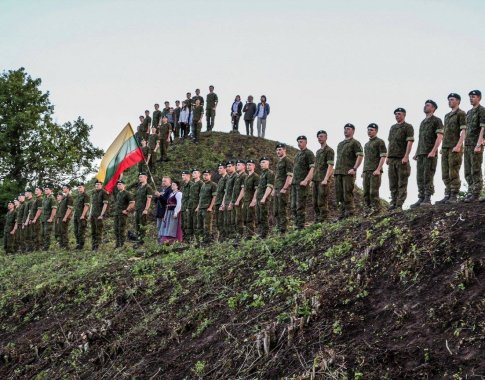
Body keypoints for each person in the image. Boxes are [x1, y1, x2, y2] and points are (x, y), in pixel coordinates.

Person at [410, 100, 444, 208]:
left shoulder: (437, 120)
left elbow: (439, 137)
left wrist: (434, 151)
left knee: (428, 175)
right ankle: (421, 197)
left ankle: (427, 197)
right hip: (421, 153)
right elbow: (421, 139)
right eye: (425, 105)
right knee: (419, 176)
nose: (425, 107)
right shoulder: (423, 122)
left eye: (428, 105)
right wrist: (416, 153)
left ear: (433, 108)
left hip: (430, 153)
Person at [436, 93, 466, 204]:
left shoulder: (461, 114)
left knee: (453, 171)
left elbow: (463, 131)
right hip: (445, 147)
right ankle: (447, 193)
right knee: (445, 172)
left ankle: (454, 194)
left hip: (455, 147)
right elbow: (445, 133)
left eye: (452, 99)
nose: (450, 101)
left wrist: (458, 145)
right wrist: (442, 147)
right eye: (449, 100)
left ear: (458, 101)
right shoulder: (447, 115)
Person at [387, 108, 414, 211]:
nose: (397, 116)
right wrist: (388, 156)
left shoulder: (408, 127)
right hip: (392, 159)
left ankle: (399, 204)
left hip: (401, 159)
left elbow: (410, 142)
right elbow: (390, 142)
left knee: (401, 183)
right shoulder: (392, 128)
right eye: (396, 114)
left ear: (404, 115)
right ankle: (393, 202)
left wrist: (406, 156)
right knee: (392, 183)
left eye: (399, 114)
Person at [334, 124, 364, 219]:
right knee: (339, 194)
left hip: (348, 172)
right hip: (338, 172)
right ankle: (342, 214)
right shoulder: (340, 144)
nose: (346, 130)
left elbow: (360, 156)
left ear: (353, 131)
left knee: (347, 193)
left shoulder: (355, 143)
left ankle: (350, 213)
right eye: (345, 129)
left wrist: (354, 168)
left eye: (348, 129)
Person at [464, 90, 485, 202]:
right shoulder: (469, 112)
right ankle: (470, 191)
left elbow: (483, 127)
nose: (471, 99)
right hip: (467, 144)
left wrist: (479, 143)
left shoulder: (482, 110)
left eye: (473, 97)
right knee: (467, 170)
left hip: (476, 144)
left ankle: (476, 193)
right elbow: (466, 129)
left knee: (475, 169)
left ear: (479, 98)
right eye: (470, 97)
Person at [362, 124, 387, 215]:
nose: (369, 131)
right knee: (366, 192)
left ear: (376, 131)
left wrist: (378, 169)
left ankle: (376, 209)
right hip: (366, 170)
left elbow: (383, 156)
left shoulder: (380, 142)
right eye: (368, 130)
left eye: (371, 130)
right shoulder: (366, 144)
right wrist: (363, 171)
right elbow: (366, 158)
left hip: (375, 171)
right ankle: (367, 209)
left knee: (373, 191)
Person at [291, 136, 315, 230]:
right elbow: (295, 169)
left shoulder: (309, 153)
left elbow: (312, 168)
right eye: (298, 142)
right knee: (293, 206)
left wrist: (306, 180)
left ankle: (300, 226)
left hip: (302, 184)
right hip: (294, 183)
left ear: (306, 142)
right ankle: (296, 224)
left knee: (300, 205)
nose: (299, 143)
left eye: (301, 141)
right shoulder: (297, 155)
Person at [313, 130, 335, 223]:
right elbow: (316, 166)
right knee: (315, 202)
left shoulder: (329, 150)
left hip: (323, 179)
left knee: (322, 200)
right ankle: (318, 219)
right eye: (318, 136)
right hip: (316, 179)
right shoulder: (318, 151)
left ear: (326, 138)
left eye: (321, 136)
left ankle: (324, 219)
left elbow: (330, 165)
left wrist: (326, 179)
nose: (319, 138)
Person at [250, 157, 275, 238]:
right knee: (258, 216)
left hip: (264, 199)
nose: (262, 164)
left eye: (264, 162)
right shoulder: (262, 174)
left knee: (263, 216)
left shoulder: (269, 173)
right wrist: (255, 199)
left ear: (268, 163)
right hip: (258, 198)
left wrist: (264, 197)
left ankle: (264, 234)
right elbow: (259, 188)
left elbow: (269, 187)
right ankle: (260, 232)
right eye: (261, 162)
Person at [274, 143, 294, 233]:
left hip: (282, 189)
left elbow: (289, 176)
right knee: (276, 210)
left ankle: (283, 229)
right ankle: (278, 228)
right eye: (277, 150)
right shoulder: (279, 162)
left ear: (285, 150)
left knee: (282, 209)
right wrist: (274, 189)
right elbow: (277, 176)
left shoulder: (287, 161)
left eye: (280, 149)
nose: (278, 151)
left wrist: (284, 188)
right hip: (277, 188)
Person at [195, 170, 217, 243]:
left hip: (207, 208)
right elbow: (200, 197)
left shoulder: (213, 185)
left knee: (207, 226)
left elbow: (214, 197)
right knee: (199, 226)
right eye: (204, 175)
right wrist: (198, 207)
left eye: (207, 175)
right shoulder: (203, 185)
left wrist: (210, 207)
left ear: (210, 176)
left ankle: (208, 241)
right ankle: (200, 241)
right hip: (201, 208)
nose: (205, 176)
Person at [241, 159, 259, 237]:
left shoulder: (255, 176)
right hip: (246, 201)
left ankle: (251, 235)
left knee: (250, 219)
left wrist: (254, 200)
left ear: (254, 166)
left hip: (251, 200)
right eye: (247, 165)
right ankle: (247, 234)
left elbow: (257, 189)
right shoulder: (246, 177)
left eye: (250, 165)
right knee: (244, 219)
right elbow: (244, 190)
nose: (248, 166)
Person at [114, 180, 134, 248]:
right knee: (116, 229)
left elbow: (132, 203)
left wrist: (127, 210)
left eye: (120, 184)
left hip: (123, 214)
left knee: (121, 229)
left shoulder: (127, 193)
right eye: (118, 184)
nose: (118, 185)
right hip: (117, 214)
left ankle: (122, 245)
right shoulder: (118, 194)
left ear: (124, 185)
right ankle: (117, 244)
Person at [134, 172, 153, 246]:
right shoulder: (139, 187)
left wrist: (146, 209)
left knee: (142, 225)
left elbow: (149, 199)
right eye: (139, 177)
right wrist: (135, 209)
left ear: (146, 177)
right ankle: (138, 240)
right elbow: (137, 199)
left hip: (143, 209)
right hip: (138, 209)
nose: (140, 178)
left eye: (141, 177)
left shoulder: (148, 187)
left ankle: (142, 241)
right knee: (137, 225)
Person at [231, 160, 248, 239]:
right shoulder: (238, 176)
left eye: (238, 165)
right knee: (234, 219)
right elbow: (234, 190)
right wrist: (233, 201)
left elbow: (243, 189)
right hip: (235, 201)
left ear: (243, 166)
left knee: (239, 219)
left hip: (240, 201)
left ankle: (240, 236)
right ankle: (236, 236)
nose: (237, 166)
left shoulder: (244, 176)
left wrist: (238, 200)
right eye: (236, 165)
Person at [90, 180, 109, 251]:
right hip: (93, 215)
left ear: (101, 185)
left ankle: (97, 247)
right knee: (93, 231)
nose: (97, 185)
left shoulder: (103, 192)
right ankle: (93, 245)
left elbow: (105, 204)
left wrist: (102, 214)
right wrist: (90, 214)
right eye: (96, 184)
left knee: (98, 231)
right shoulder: (94, 193)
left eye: (98, 184)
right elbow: (92, 204)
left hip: (99, 215)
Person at [221, 160, 237, 239]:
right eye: (227, 166)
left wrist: (232, 202)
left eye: (230, 166)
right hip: (226, 202)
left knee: (232, 221)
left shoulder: (236, 176)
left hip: (232, 202)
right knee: (226, 221)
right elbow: (226, 192)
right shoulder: (229, 177)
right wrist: (223, 203)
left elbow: (235, 191)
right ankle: (228, 238)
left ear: (234, 167)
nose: (228, 168)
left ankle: (233, 238)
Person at [73, 183, 90, 250]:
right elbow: (76, 207)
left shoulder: (85, 196)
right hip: (76, 216)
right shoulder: (78, 196)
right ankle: (77, 244)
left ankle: (81, 245)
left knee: (81, 231)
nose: (79, 188)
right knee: (76, 230)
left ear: (84, 188)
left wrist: (83, 215)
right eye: (78, 187)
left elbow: (86, 206)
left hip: (82, 216)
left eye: (80, 187)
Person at [187, 169, 203, 240]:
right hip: (191, 206)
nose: (193, 174)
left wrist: (198, 206)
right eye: (193, 173)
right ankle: (191, 239)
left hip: (197, 206)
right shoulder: (193, 184)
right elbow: (190, 196)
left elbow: (201, 196)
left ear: (199, 174)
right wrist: (188, 207)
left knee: (197, 224)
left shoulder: (201, 183)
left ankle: (198, 239)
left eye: (195, 173)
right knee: (190, 223)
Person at [40, 184, 57, 250]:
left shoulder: (52, 198)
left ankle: (46, 247)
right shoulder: (44, 198)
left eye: (47, 189)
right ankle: (43, 246)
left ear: (51, 190)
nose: (45, 190)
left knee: (47, 233)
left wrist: (51, 218)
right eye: (45, 189)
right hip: (43, 218)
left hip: (48, 218)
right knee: (42, 233)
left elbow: (54, 209)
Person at [214, 162, 228, 241]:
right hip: (218, 202)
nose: (219, 170)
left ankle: (224, 238)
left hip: (222, 203)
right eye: (218, 168)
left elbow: (226, 193)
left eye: (220, 168)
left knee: (222, 221)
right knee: (218, 222)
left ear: (225, 169)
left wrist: (222, 204)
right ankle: (221, 238)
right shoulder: (221, 179)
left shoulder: (227, 178)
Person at [58, 184, 73, 249]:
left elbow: (69, 208)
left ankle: (66, 245)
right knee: (60, 231)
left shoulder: (69, 197)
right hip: (61, 216)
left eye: (64, 188)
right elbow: (60, 208)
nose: (63, 189)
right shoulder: (63, 197)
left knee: (64, 231)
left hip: (65, 217)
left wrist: (65, 217)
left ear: (68, 189)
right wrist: (59, 217)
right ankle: (62, 245)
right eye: (63, 188)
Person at [30, 186, 43, 251]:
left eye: (37, 190)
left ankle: (38, 248)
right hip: (34, 219)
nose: (36, 191)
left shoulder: (40, 199)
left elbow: (39, 210)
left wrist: (35, 218)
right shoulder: (36, 199)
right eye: (35, 190)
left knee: (37, 233)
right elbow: (33, 211)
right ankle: (36, 247)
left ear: (41, 191)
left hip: (37, 219)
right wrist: (31, 218)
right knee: (34, 233)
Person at [180, 171, 192, 241]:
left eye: (183, 175)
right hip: (183, 207)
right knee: (183, 224)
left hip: (188, 207)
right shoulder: (183, 186)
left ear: (188, 176)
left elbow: (192, 198)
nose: (182, 177)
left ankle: (189, 239)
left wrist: (188, 207)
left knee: (188, 224)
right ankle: (184, 239)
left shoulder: (192, 185)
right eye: (182, 175)